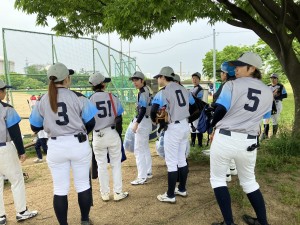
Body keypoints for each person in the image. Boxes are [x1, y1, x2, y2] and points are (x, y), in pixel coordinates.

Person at [29, 63, 97, 225]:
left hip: (55, 145)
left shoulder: (42, 100)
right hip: (78, 143)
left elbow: (34, 126)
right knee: (82, 184)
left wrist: (51, 124)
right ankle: (85, 220)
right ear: (66, 78)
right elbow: (91, 122)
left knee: (60, 189)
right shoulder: (78, 97)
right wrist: (80, 132)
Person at [209, 52, 272, 225]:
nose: (235, 69)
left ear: (252, 68)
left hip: (226, 137)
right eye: (235, 66)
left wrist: (212, 125)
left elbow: (220, 109)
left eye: (239, 66)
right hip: (249, 141)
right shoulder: (268, 91)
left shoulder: (232, 85)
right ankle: (263, 222)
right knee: (249, 181)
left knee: (218, 180)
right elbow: (264, 115)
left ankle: (229, 223)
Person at [151, 66, 198, 203]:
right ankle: (182, 189)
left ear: (163, 77)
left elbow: (153, 111)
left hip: (173, 128)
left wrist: (158, 121)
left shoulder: (163, 91)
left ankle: (170, 195)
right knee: (181, 160)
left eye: (159, 77)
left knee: (171, 163)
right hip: (184, 125)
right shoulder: (184, 89)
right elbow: (194, 106)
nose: (158, 79)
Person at [0, 80, 38, 225]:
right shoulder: (6, 109)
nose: (4, 93)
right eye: (3, 90)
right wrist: (21, 151)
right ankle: (21, 212)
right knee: (16, 179)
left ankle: (1, 216)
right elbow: (15, 132)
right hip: (4, 147)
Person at [89, 72, 129, 202]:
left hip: (97, 135)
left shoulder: (89, 100)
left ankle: (104, 193)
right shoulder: (112, 97)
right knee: (115, 164)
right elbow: (119, 116)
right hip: (111, 133)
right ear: (102, 84)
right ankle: (118, 192)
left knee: (101, 165)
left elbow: (86, 120)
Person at [214, 61, 237, 182]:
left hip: (225, 118)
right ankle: (233, 168)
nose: (221, 75)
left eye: (222, 72)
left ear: (227, 73)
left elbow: (218, 103)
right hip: (236, 120)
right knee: (232, 144)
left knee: (223, 146)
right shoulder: (239, 83)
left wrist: (213, 122)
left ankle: (226, 173)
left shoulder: (227, 85)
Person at [128, 71, 153, 185]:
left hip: (143, 121)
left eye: (136, 80)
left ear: (142, 80)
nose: (134, 82)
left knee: (138, 149)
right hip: (147, 121)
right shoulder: (147, 89)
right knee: (144, 148)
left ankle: (141, 176)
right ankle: (148, 172)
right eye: (133, 80)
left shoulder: (143, 92)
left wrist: (137, 122)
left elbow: (142, 109)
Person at [261, 73, 287, 139]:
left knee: (274, 119)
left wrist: (275, 97)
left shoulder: (280, 86)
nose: (272, 79)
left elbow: (285, 95)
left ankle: (274, 136)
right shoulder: (267, 86)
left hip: (277, 103)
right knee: (265, 119)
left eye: (274, 78)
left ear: (277, 79)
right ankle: (265, 135)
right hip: (268, 104)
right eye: (271, 78)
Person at [190, 72, 204, 147]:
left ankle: (199, 143)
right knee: (192, 127)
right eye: (193, 78)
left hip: (198, 110)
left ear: (199, 80)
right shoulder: (192, 88)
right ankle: (192, 143)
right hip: (192, 110)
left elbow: (196, 99)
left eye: (196, 79)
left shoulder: (200, 89)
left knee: (198, 127)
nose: (194, 80)